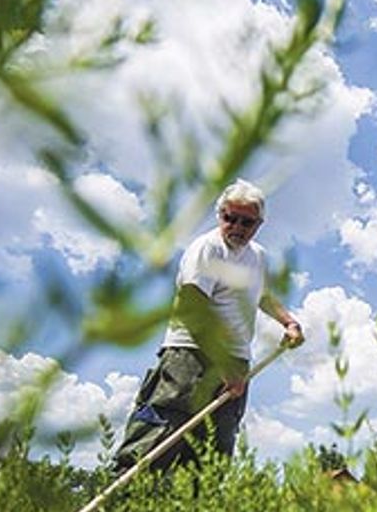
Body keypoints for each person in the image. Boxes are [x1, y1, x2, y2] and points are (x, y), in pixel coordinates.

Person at [112, 179, 305, 472]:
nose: (237, 227)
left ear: (259, 224)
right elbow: (193, 308)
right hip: (191, 358)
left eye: (247, 222)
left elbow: (262, 296)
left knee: (211, 457)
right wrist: (224, 365)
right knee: (155, 445)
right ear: (220, 215)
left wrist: (289, 322)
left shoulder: (259, 257)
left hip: (236, 365)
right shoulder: (207, 248)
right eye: (230, 218)